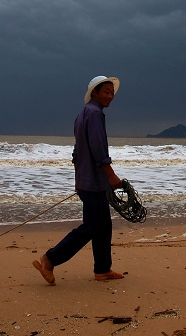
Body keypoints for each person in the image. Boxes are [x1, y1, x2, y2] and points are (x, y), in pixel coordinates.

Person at [33, 76, 125, 285]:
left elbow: (77, 152)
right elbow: (97, 147)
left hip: (88, 180)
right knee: (92, 226)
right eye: (106, 92)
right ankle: (50, 259)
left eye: (112, 92)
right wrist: (110, 174)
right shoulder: (94, 114)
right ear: (95, 93)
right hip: (93, 182)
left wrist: (78, 178)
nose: (110, 96)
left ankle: (102, 269)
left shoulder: (83, 114)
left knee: (103, 226)